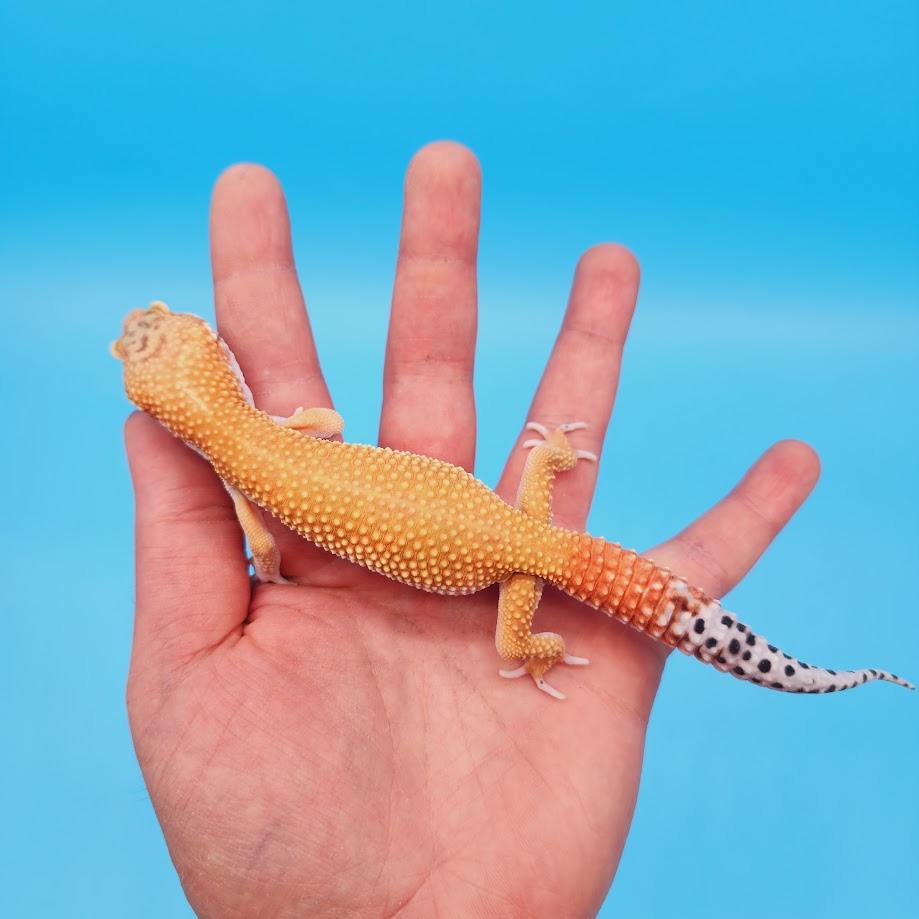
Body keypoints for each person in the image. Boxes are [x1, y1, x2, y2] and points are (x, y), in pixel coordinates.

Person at [123, 142, 819, 917]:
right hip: (507, 523)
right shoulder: (287, 431)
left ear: (176, 415)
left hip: (511, 559)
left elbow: (258, 549)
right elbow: (329, 422)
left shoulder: (240, 477)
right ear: (220, 366)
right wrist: (548, 455)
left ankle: (546, 651)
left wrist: (276, 576)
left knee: (510, 645)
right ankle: (719, 632)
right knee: (574, 598)